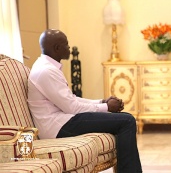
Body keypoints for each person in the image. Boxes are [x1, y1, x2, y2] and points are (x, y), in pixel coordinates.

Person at [27, 29, 142, 173]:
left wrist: (102, 102)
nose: (69, 48)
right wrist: (106, 107)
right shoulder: (46, 71)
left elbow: (71, 100)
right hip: (58, 127)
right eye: (66, 44)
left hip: (64, 120)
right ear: (57, 48)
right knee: (127, 121)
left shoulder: (48, 67)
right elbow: (72, 107)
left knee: (125, 119)